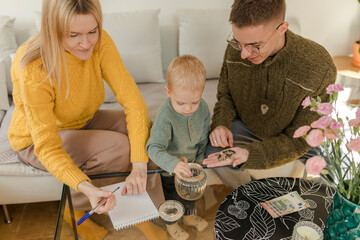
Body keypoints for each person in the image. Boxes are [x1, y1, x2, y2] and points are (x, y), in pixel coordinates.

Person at [8, 0, 166, 239]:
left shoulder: (101, 42)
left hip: (81, 121)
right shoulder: (33, 66)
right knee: (119, 147)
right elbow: (47, 146)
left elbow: (134, 103)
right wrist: (86, 187)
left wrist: (140, 166)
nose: (86, 43)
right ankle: (104, 213)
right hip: (35, 141)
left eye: (92, 31)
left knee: (145, 130)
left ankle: (147, 208)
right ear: (53, 30)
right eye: (74, 35)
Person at [203, 0, 337, 189]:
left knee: (332, 183)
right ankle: (252, 198)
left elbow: (299, 142)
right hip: (247, 127)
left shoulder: (319, 67)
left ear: (282, 28)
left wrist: (252, 154)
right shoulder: (237, 51)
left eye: (254, 45)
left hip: (297, 138)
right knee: (213, 156)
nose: (243, 54)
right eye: (238, 43)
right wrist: (221, 123)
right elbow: (226, 95)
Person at [146, 55, 210, 240]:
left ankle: (189, 217)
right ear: (168, 91)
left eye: (194, 102)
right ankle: (172, 224)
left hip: (191, 169)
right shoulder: (166, 115)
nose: (188, 108)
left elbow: (203, 140)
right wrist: (173, 165)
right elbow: (153, 147)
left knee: (191, 196)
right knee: (171, 199)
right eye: (181, 103)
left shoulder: (203, 108)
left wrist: (198, 165)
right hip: (169, 171)